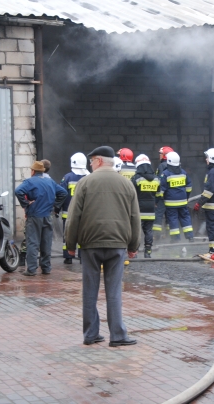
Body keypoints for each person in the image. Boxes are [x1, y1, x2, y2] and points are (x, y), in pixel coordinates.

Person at [65, 146, 140, 347]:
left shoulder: (85, 183)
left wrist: (70, 244)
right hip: (117, 245)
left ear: (98, 161)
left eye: (91, 161)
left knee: (89, 290)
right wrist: (134, 245)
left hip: (90, 245)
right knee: (114, 291)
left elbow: (73, 217)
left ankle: (91, 334)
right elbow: (134, 217)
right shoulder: (126, 184)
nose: (90, 164)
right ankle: (118, 336)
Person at [14, 161, 67, 276]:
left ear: (33, 171)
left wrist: (26, 203)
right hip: (48, 216)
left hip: (34, 216)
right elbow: (63, 193)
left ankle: (32, 269)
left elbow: (18, 191)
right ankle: (46, 268)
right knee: (46, 242)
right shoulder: (50, 181)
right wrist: (55, 206)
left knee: (33, 242)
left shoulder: (30, 181)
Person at [59, 153, 89, 264]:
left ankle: (68, 257)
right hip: (85, 213)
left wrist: (57, 208)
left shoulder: (67, 177)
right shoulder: (89, 176)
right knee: (83, 234)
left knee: (68, 233)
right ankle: (83, 256)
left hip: (68, 212)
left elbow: (61, 194)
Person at [158, 152, 194, 242]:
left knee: (173, 219)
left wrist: (159, 199)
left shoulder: (165, 174)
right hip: (183, 201)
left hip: (171, 203)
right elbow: (189, 187)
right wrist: (186, 197)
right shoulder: (183, 172)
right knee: (185, 217)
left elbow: (161, 189)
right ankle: (190, 236)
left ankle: (175, 239)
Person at [131, 154, 159, 258]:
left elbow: (131, 194)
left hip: (138, 209)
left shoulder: (136, 179)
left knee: (136, 231)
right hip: (151, 209)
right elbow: (159, 194)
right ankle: (148, 252)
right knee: (148, 230)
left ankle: (135, 251)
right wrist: (155, 202)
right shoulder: (156, 179)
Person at [153, 146, 174, 237]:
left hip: (162, 196)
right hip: (171, 195)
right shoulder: (174, 165)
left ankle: (156, 236)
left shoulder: (162, 165)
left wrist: (157, 197)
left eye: (160, 154)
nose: (159, 155)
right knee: (169, 216)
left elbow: (160, 181)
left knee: (158, 215)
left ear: (165, 155)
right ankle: (170, 235)